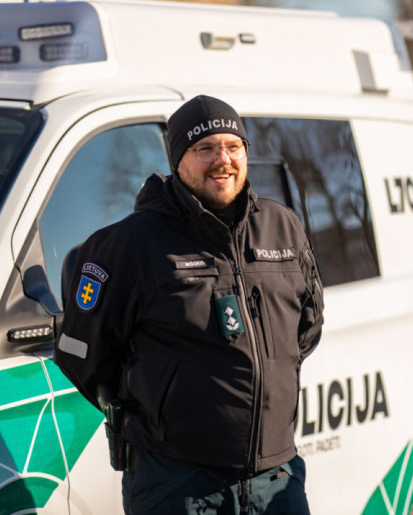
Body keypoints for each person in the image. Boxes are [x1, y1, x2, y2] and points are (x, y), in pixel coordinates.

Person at [54, 95, 324, 514]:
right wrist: (159, 409)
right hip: (178, 481)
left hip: (278, 476)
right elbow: (81, 354)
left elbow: (307, 329)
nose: (223, 160)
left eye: (233, 147)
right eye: (205, 149)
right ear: (178, 160)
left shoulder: (282, 227)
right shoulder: (130, 245)